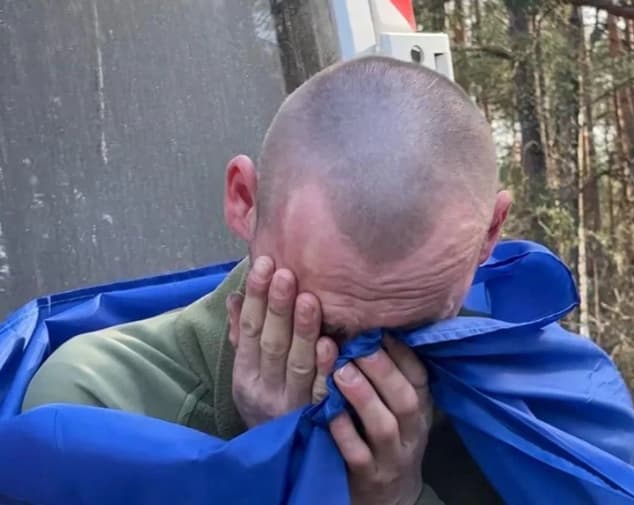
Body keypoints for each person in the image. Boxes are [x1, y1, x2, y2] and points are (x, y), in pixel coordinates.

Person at [26, 55, 557, 505]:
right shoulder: (97, 404)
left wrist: (399, 497)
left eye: (414, 332)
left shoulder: (527, 411)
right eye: (321, 325)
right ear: (245, 201)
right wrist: (278, 466)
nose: (357, 370)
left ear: (491, 232)